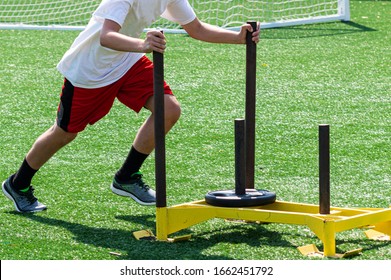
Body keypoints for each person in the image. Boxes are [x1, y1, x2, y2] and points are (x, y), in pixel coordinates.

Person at [2, 0, 260, 213]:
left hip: (128, 61)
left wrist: (238, 38)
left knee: (169, 109)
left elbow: (197, 29)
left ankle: (127, 177)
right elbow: (106, 36)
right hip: (91, 70)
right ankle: (18, 183)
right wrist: (143, 45)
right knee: (65, 132)